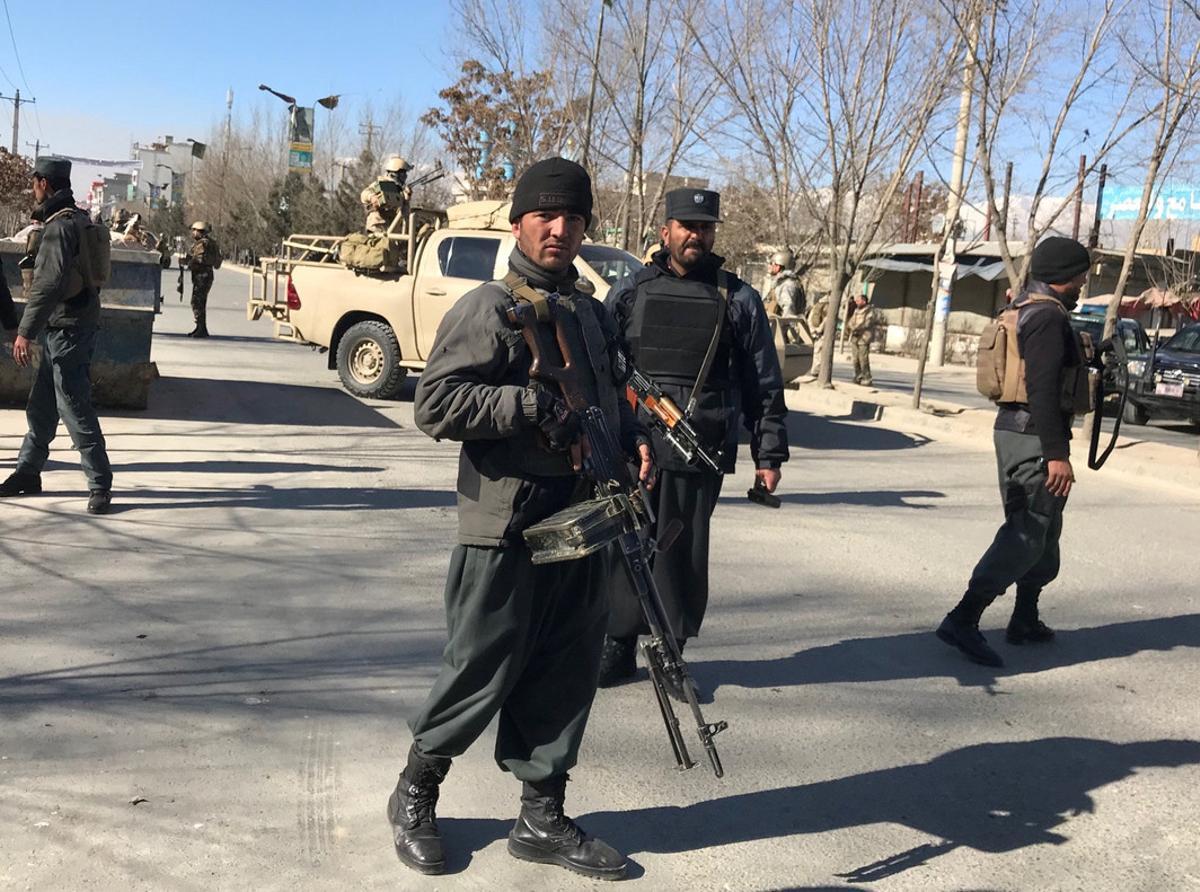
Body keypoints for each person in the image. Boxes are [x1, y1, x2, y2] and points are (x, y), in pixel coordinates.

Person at [390, 157, 652, 880]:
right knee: (480, 665)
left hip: (578, 521)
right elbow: (434, 405)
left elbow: (605, 402)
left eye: (573, 219)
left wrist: (634, 446)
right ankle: (417, 789)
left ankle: (541, 815)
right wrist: (521, 406)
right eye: (545, 216)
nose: (559, 230)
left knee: (566, 668)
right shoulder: (486, 309)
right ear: (518, 223)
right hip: (503, 521)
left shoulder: (591, 314)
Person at [598, 187, 789, 689]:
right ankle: (618, 645)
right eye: (686, 226)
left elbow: (763, 382)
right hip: (634, 447)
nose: (696, 236)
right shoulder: (631, 292)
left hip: (698, 450)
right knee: (625, 547)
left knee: (681, 556)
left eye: (705, 228)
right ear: (666, 231)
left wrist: (769, 453)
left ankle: (670, 654)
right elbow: (602, 369)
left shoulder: (738, 298)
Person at [937, 237, 1094, 668]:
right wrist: (1056, 453)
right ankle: (963, 618)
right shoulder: (1045, 316)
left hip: (1024, 432)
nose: (1084, 282)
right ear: (1064, 276)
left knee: (1044, 528)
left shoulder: (1029, 306)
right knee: (1027, 529)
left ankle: (1025, 617)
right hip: (1032, 436)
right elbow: (1042, 387)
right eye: (1081, 274)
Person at [0, 156, 113, 514]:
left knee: (73, 405)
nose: (33, 189)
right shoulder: (75, 218)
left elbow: (48, 285)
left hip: (68, 329)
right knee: (43, 405)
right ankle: (28, 472)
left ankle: (99, 483)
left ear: (44, 183)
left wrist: (24, 332)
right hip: (66, 325)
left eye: (34, 182)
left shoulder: (59, 227)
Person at [183, 221, 221, 338]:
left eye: (195, 230)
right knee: (200, 302)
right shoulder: (210, 243)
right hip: (205, 275)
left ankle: (201, 329)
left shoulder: (202, 244)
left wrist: (188, 262)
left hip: (202, 276)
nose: (193, 233)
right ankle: (200, 328)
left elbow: (199, 260)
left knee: (197, 302)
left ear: (201, 232)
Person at [361, 155, 412, 234]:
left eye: (405, 174)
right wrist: (372, 197)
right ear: (393, 173)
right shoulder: (382, 184)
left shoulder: (400, 190)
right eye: (402, 174)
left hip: (393, 228)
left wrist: (406, 201)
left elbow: (404, 214)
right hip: (378, 226)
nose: (405, 176)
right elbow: (364, 194)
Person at [846, 291, 880, 385]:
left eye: (858, 300)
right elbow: (851, 321)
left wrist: (857, 328)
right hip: (855, 337)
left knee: (863, 359)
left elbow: (867, 323)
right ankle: (858, 375)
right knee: (855, 358)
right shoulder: (856, 311)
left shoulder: (870, 311)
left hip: (864, 338)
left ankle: (867, 377)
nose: (856, 302)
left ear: (864, 301)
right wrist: (851, 327)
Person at [763, 248, 805, 318]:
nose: (769, 266)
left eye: (771, 263)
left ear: (778, 266)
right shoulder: (780, 283)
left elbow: (788, 313)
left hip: (778, 327)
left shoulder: (787, 285)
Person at [804, 293, 830, 380]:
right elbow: (826, 320)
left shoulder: (816, 306)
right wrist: (819, 329)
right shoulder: (827, 305)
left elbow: (810, 319)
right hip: (821, 332)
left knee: (817, 351)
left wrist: (813, 330)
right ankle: (816, 370)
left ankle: (816, 370)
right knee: (819, 351)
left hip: (816, 331)